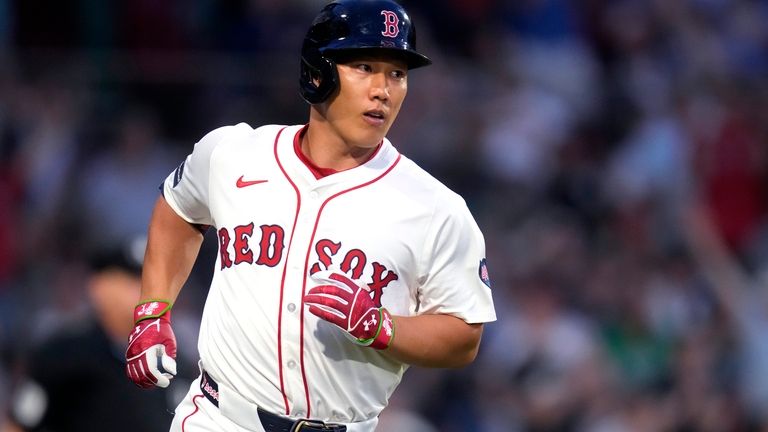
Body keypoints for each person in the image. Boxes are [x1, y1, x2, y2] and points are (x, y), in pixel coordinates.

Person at [125, 1, 497, 431]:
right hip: (219, 418)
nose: (384, 90)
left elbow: (464, 337)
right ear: (317, 71)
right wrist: (152, 312)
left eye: (397, 73)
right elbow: (178, 208)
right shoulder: (234, 154)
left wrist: (383, 328)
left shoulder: (436, 208)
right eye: (364, 66)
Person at [3, 237, 176, 432]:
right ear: (99, 287)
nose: (146, 290)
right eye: (133, 280)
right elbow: (17, 425)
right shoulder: (64, 355)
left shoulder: (174, 363)